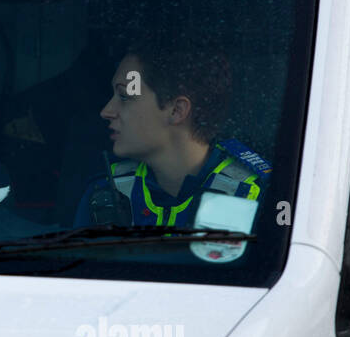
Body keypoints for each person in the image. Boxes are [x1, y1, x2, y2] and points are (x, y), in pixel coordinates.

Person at [73, 38, 271, 228]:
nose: (106, 111)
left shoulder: (258, 198)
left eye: (124, 96)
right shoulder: (103, 194)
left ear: (177, 111)